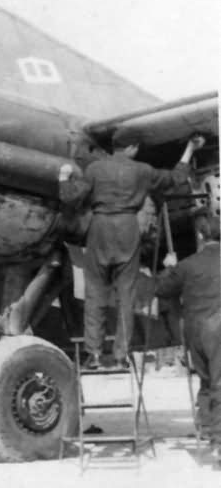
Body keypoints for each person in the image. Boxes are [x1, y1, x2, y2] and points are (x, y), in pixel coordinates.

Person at [58, 136, 199, 369]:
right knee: (126, 296)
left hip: (100, 229)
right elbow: (175, 178)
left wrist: (63, 177)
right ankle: (121, 357)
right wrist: (190, 148)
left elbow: (71, 197)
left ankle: (93, 355)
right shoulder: (141, 170)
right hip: (127, 230)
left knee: (95, 294)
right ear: (132, 147)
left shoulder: (94, 168)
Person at [155, 211, 221, 455]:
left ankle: (208, 429)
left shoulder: (188, 265)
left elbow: (161, 290)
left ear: (201, 236)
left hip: (195, 330)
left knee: (206, 381)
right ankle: (218, 440)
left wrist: (168, 268)